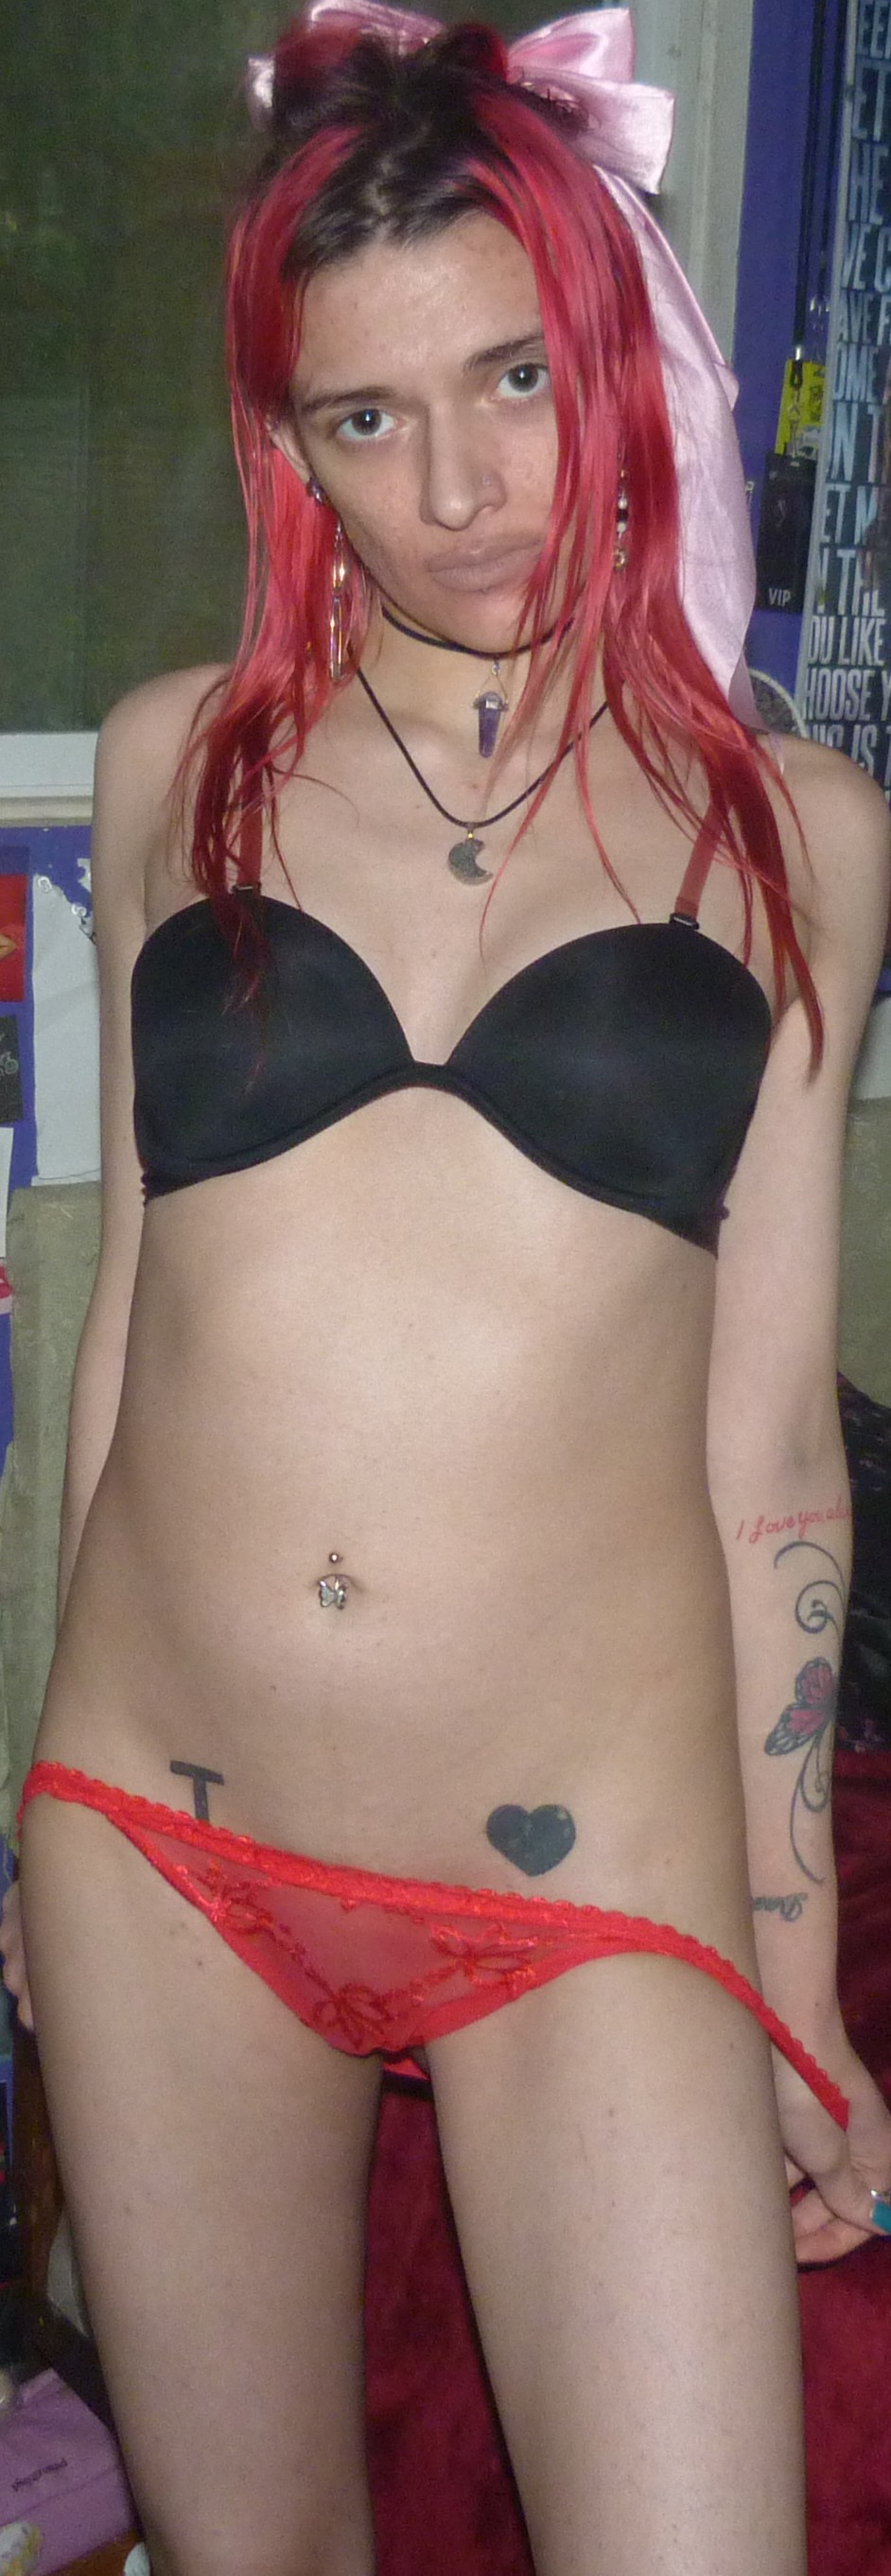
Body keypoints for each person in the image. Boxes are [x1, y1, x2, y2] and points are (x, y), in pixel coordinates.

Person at [3, 7, 891, 2571]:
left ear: (607, 353)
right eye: (369, 417)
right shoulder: (179, 763)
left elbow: (769, 1447)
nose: (463, 485)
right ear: (287, 447)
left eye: (513, 376)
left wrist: (792, 1955)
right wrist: (42, 1805)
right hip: (161, 1840)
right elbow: (137, 1326)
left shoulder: (794, 834)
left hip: (583, 1871)